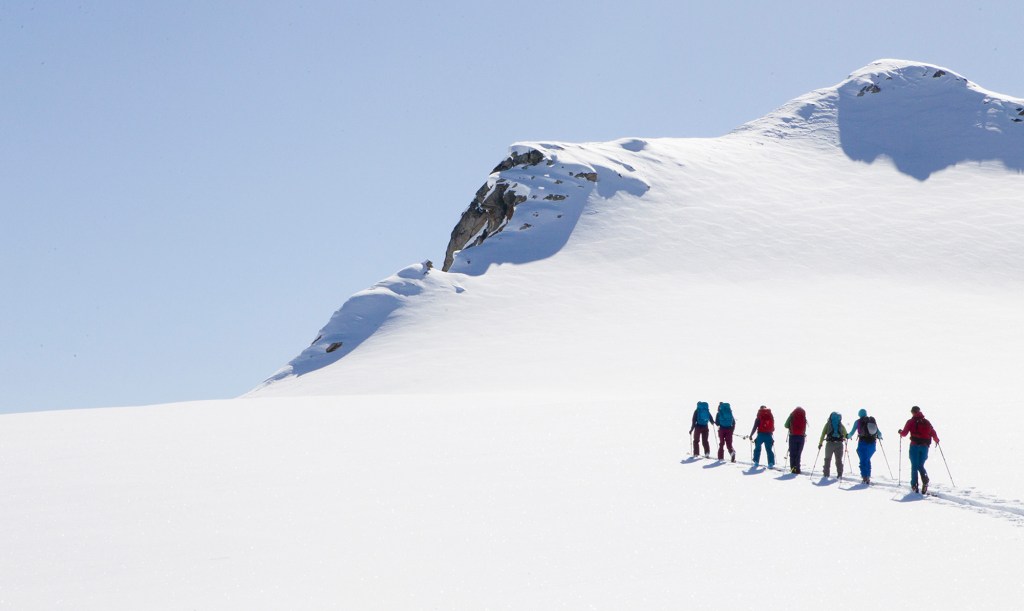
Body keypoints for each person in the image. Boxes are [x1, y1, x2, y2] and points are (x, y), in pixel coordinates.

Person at [898, 406, 940, 493]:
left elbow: (904, 433)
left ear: (912, 412)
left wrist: (900, 432)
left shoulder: (911, 422)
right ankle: (925, 479)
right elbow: (933, 432)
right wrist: (937, 440)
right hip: (925, 447)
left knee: (914, 466)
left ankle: (914, 485)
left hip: (915, 446)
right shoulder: (926, 422)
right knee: (920, 465)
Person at [848, 408, 882, 484]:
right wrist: (880, 437)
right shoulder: (872, 421)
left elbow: (851, 433)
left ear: (859, 414)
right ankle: (868, 476)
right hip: (872, 444)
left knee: (863, 460)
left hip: (863, 443)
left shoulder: (858, 422)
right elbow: (879, 433)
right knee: (867, 459)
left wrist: (847, 436)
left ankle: (865, 478)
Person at [817, 411, 848, 479]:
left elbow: (823, 434)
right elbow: (846, 435)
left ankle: (826, 474)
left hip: (829, 444)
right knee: (839, 460)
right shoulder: (841, 425)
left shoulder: (828, 424)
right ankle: (840, 474)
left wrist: (820, 443)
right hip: (839, 444)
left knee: (827, 459)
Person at [783, 406, 808, 474]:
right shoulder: (803, 416)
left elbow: (785, 425)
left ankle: (793, 469)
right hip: (801, 437)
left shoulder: (792, 415)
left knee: (792, 453)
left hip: (793, 437)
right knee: (798, 454)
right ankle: (798, 469)